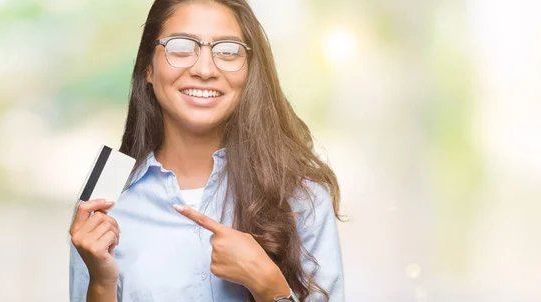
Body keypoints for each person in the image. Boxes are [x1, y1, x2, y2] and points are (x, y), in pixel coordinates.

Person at [68, 0, 344, 301]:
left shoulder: (303, 197)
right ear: (148, 67)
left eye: (227, 51)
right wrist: (101, 282)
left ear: (250, 71)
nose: (204, 69)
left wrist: (268, 284)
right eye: (181, 47)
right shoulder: (104, 199)